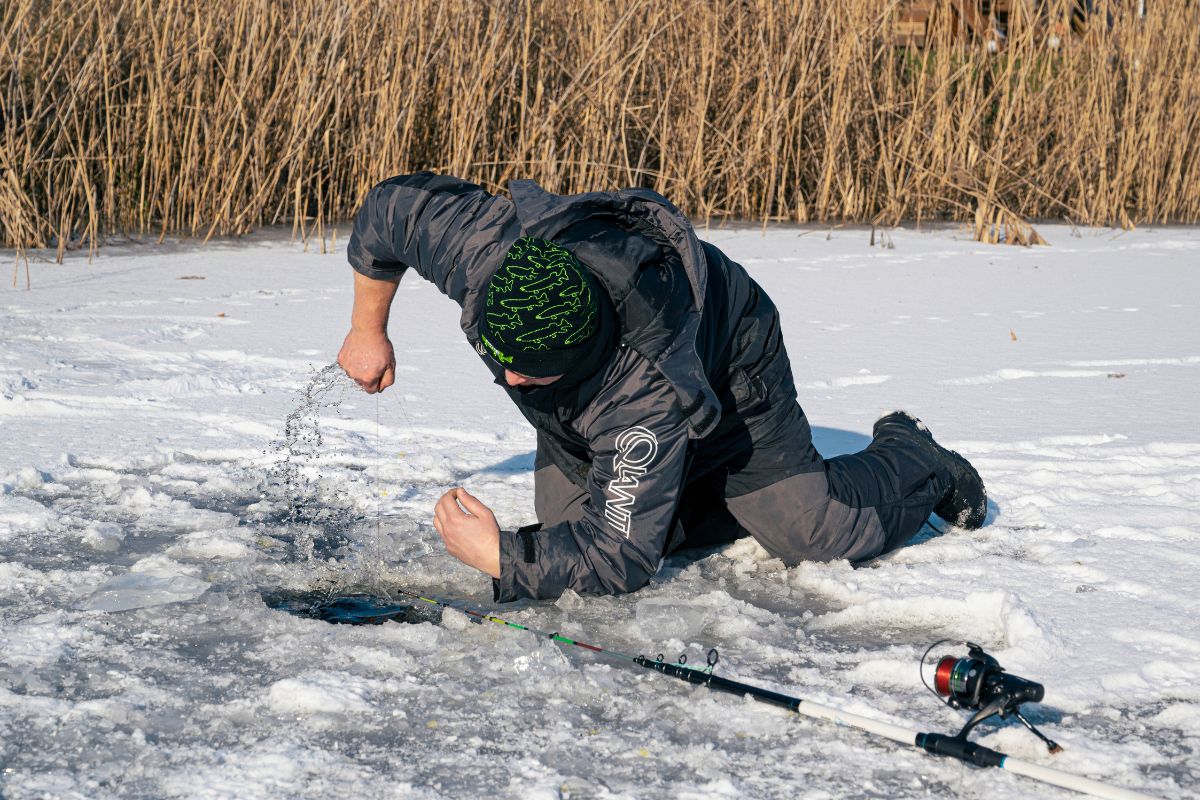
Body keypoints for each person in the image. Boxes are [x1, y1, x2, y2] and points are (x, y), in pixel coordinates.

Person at [337, 173, 986, 602]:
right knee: (569, 545)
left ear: (580, 353)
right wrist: (368, 328)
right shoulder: (482, 251)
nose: (508, 381)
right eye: (500, 357)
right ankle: (686, 491)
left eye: (528, 371)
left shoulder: (640, 391)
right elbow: (387, 211)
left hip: (734, 366)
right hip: (601, 413)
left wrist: (503, 555)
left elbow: (618, 559)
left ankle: (915, 456)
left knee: (809, 533)